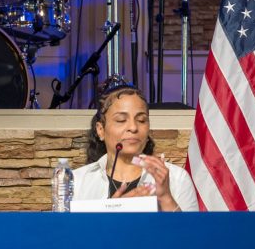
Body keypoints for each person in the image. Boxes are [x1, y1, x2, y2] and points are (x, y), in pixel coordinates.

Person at [73, 81, 199, 211]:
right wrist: (109, 214)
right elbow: (66, 231)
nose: (133, 127)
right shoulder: (77, 182)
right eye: (121, 120)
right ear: (100, 130)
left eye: (141, 120)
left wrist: (166, 198)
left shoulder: (177, 179)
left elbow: (192, 231)